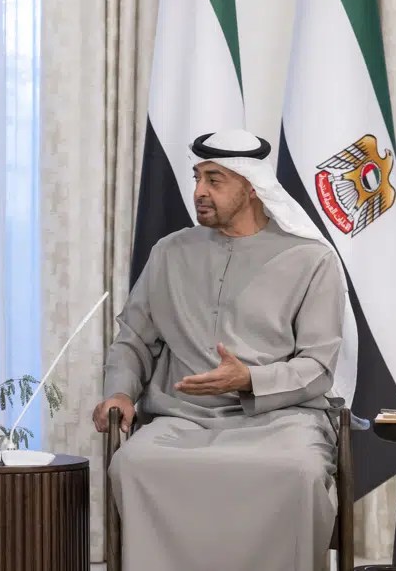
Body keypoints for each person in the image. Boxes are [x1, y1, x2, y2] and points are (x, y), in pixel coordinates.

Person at [93, 130, 350, 571]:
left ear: (251, 186)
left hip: (281, 420)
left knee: (300, 473)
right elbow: (133, 339)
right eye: (197, 177)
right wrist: (119, 392)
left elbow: (318, 365)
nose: (198, 192)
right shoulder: (169, 253)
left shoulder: (312, 260)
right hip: (181, 418)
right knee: (133, 464)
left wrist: (250, 379)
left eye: (214, 179)